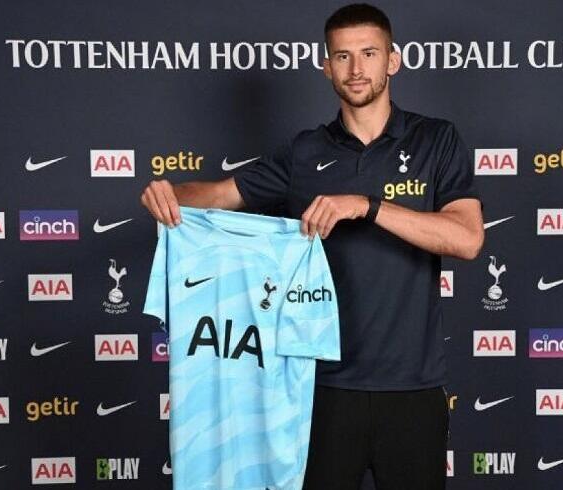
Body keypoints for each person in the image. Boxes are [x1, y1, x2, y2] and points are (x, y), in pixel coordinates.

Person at [141, 4, 484, 489]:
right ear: (326, 67)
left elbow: (467, 238)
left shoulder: (436, 140)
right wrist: (168, 194)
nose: (357, 69)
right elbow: (219, 196)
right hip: (317, 390)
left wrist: (367, 205)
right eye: (342, 57)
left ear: (394, 60)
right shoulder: (305, 152)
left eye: (369, 53)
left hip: (413, 388)